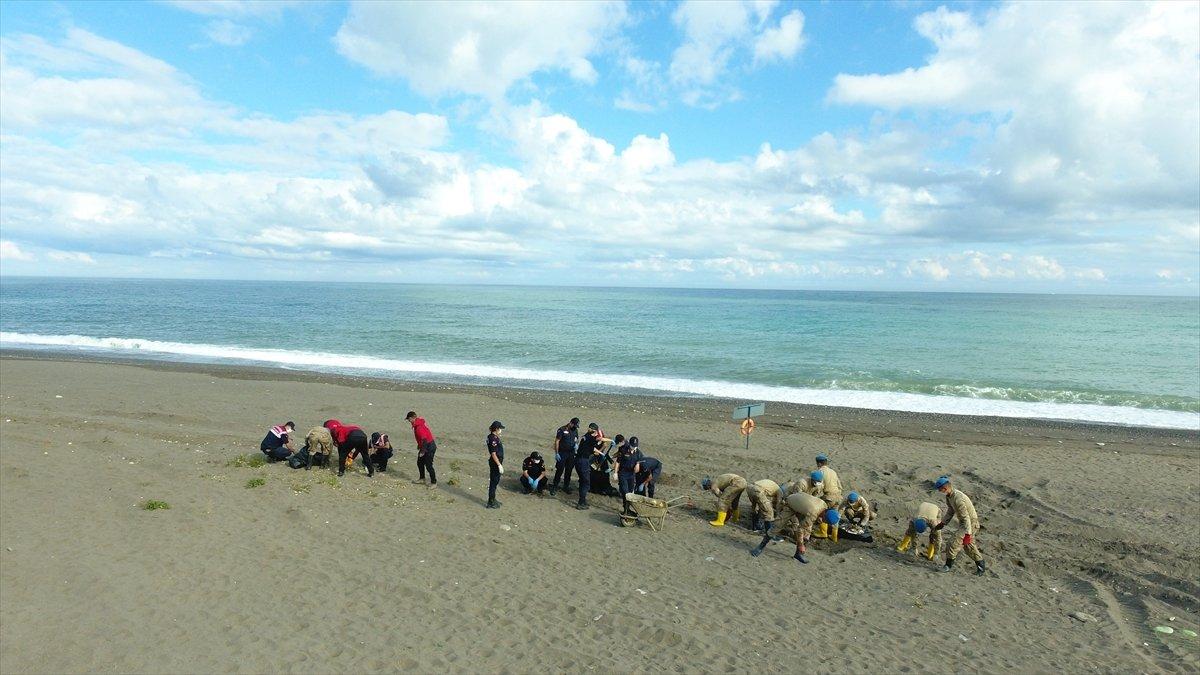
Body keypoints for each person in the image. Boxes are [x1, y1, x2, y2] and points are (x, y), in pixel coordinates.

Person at [750, 492, 837, 564]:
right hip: (790, 503)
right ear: (825, 515)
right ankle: (760, 547)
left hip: (801, 505)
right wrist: (801, 545)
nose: (824, 523)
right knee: (777, 526)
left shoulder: (824, 505)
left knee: (808, 531)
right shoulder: (813, 513)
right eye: (825, 521)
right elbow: (800, 529)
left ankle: (798, 554)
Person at [932, 475, 986, 575]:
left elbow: (966, 518)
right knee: (968, 546)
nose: (940, 491)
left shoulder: (958, 498)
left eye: (940, 489)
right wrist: (943, 523)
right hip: (964, 523)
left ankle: (948, 566)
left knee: (953, 543)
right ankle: (981, 565)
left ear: (945, 488)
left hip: (970, 523)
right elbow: (951, 510)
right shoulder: (949, 496)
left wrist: (968, 534)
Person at [575, 422, 607, 510]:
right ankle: (581, 502)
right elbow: (596, 443)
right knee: (586, 483)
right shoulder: (591, 438)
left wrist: (600, 452)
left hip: (577, 460)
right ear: (594, 431)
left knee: (582, 480)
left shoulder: (586, 436)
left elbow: (592, 448)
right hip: (583, 461)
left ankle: (583, 500)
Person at [550, 417, 580, 495]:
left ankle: (566, 486)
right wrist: (557, 453)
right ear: (571, 423)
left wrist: (576, 444)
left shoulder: (575, 430)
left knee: (569, 470)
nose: (575, 427)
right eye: (574, 425)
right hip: (562, 453)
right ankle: (555, 486)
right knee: (559, 470)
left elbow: (576, 438)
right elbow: (557, 441)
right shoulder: (562, 429)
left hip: (571, 453)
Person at [406, 411, 437, 487]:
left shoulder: (419, 427)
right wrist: (419, 445)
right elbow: (422, 439)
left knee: (429, 465)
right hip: (425, 445)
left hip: (429, 446)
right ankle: (422, 478)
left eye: (409, 419)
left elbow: (424, 439)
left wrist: (422, 451)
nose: (409, 421)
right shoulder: (417, 424)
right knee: (420, 462)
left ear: (413, 418)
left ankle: (434, 482)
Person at [613, 436, 642, 515]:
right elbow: (618, 462)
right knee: (625, 493)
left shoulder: (639, 453)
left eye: (635, 446)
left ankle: (627, 508)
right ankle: (626, 510)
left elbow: (638, 466)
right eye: (632, 446)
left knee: (630, 493)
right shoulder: (623, 450)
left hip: (631, 475)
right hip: (623, 473)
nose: (633, 448)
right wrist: (615, 472)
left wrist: (638, 464)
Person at [486, 421, 505, 509]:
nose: (501, 430)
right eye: (500, 428)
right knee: (493, 482)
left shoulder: (494, 437)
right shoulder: (493, 439)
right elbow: (493, 454)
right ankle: (491, 501)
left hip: (497, 461)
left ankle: (493, 498)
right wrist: (498, 465)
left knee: (496, 481)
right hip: (495, 463)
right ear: (496, 429)